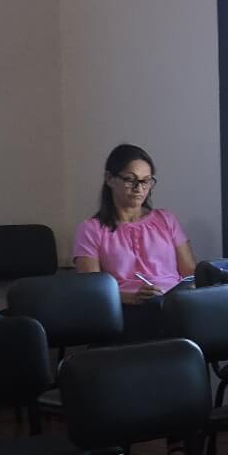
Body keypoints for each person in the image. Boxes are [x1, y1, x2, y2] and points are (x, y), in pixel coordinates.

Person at [74, 143, 197, 342]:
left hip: (172, 303)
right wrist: (132, 297)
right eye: (130, 180)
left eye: (146, 181)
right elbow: (93, 291)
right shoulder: (91, 229)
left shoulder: (166, 219)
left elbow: (189, 272)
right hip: (126, 309)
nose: (139, 188)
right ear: (110, 179)